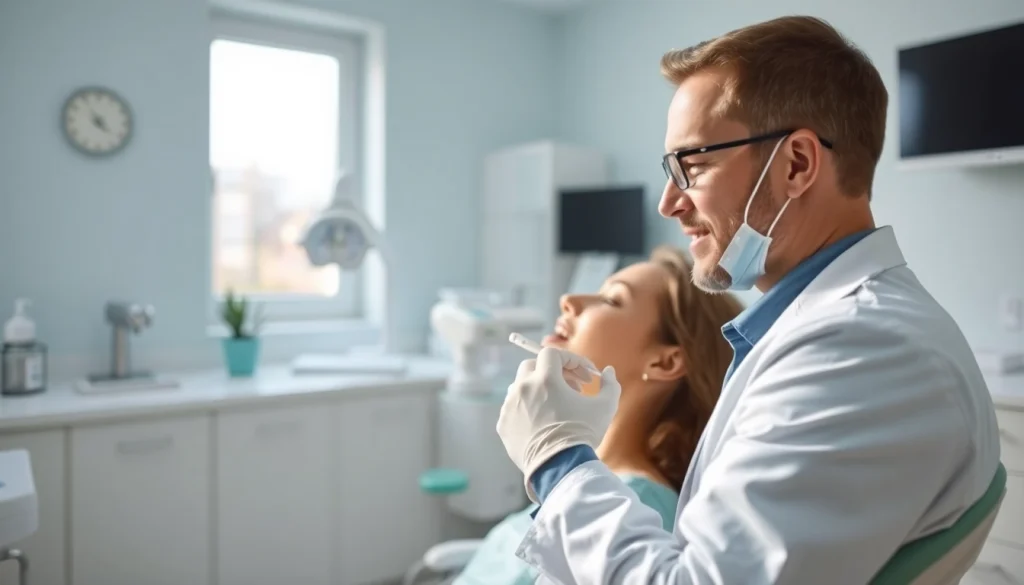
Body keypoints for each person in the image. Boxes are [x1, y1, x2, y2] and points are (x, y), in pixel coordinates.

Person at [495, 15, 1002, 585]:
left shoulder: (860, 350)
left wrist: (557, 456)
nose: (669, 203)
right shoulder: (823, 334)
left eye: (694, 165)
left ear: (797, 165)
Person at [452, 246, 742, 585]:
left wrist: (552, 455)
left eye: (611, 300)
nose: (568, 300)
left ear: (665, 362)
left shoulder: (637, 506)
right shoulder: (598, 481)